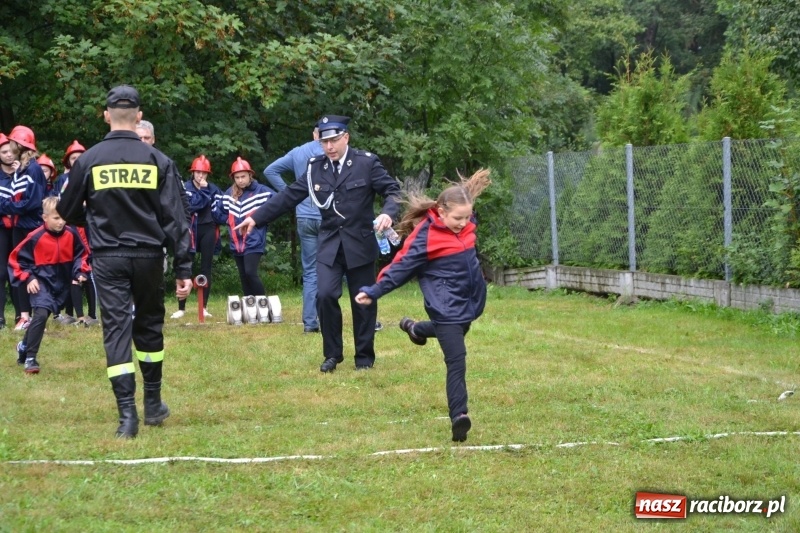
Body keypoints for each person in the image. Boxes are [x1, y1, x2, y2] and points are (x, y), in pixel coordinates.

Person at [57, 84, 193, 439]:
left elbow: (66, 211)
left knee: (116, 331)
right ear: (139, 117)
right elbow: (176, 220)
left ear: (106, 116)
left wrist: (95, 220)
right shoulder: (158, 160)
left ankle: (126, 418)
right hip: (149, 256)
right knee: (148, 327)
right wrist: (184, 268)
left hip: (108, 257)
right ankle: (153, 404)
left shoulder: (88, 160)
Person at [235, 115, 401, 372]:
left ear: (346, 137)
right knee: (324, 294)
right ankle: (332, 354)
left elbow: (393, 192)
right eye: (325, 142)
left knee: (364, 301)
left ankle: (364, 358)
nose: (330, 147)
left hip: (360, 244)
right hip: (330, 245)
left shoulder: (366, 163)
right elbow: (289, 196)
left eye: (334, 140)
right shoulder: (315, 167)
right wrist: (256, 218)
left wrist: (388, 213)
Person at [354, 169, 492, 442]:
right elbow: (401, 267)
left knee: (454, 329)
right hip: (443, 303)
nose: (464, 223)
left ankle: (416, 329)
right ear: (441, 211)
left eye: (468, 217)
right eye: (458, 218)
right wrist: (375, 290)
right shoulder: (425, 236)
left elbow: (466, 221)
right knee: (456, 360)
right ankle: (459, 416)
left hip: (470, 299)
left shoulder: (464, 220)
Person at [10, 197, 91, 373]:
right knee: (40, 314)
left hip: (61, 285)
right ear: (44, 217)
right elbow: (16, 259)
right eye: (56, 218)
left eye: (63, 217)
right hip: (40, 283)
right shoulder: (35, 237)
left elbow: (82, 255)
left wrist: (80, 271)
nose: (61, 221)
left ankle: (23, 346)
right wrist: (29, 277)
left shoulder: (71, 234)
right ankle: (31, 358)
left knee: (43, 317)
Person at [262, 125, 324, 333]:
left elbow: (270, 170)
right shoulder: (331, 151)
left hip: (304, 217)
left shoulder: (298, 152)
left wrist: (291, 196)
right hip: (328, 217)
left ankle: (310, 323)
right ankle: (332, 318)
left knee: (310, 271)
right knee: (335, 268)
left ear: (313, 134)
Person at [1, 125, 47, 330]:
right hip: (20, 226)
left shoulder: (34, 168)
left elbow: (33, 202)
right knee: (18, 269)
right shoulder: (23, 169)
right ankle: (24, 316)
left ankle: (36, 317)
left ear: (19, 145)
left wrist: (5, 206)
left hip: (31, 227)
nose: (10, 149)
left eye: (13, 144)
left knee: (33, 271)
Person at [171, 155, 222, 319]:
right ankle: (181, 308)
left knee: (206, 268)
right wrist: (204, 191)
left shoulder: (213, 188)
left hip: (208, 230)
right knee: (185, 266)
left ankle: (204, 307)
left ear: (208, 174)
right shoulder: (185, 188)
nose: (201, 176)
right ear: (192, 173)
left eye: (204, 173)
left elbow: (221, 208)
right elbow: (193, 206)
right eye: (198, 173)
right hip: (189, 232)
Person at [212, 157, 272, 297]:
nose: (240, 180)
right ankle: (249, 305)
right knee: (244, 276)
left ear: (250, 175)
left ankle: (262, 304)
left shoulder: (262, 191)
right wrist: (227, 220)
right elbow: (216, 211)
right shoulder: (228, 194)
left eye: (243, 176)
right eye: (237, 177)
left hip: (254, 240)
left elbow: (277, 206)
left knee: (251, 273)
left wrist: (261, 221)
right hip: (236, 242)